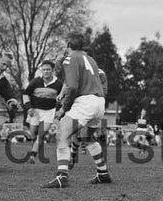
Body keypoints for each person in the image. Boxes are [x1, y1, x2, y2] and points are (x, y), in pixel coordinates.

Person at [43, 32, 112, 188]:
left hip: (85, 102)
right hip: (99, 102)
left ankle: (62, 176)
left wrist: (64, 108)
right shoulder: (91, 60)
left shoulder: (71, 58)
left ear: (68, 45)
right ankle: (103, 174)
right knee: (87, 137)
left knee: (62, 134)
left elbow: (73, 86)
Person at [22, 60, 64, 164]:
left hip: (50, 111)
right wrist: (29, 107)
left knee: (41, 134)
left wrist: (59, 109)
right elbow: (25, 94)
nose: (46, 72)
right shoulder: (35, 82)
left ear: (53, 70)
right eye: (44, 69)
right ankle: (37, 148)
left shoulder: (59, 83)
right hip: (35, 111)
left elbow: (63, 98)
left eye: (48, 69)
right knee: (33, 134)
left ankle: (32, 156)